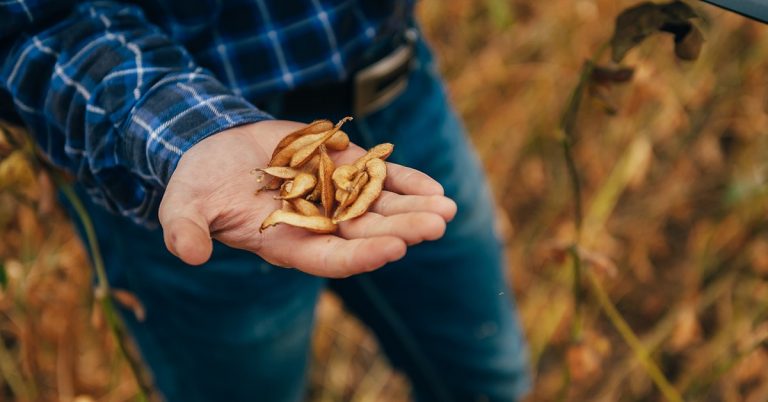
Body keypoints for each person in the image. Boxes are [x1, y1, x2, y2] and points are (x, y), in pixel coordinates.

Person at [1, 1, 530, 401]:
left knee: (490, 376)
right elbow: (32, 23)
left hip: (398, 85)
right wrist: (186, 133)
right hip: (180, 153)